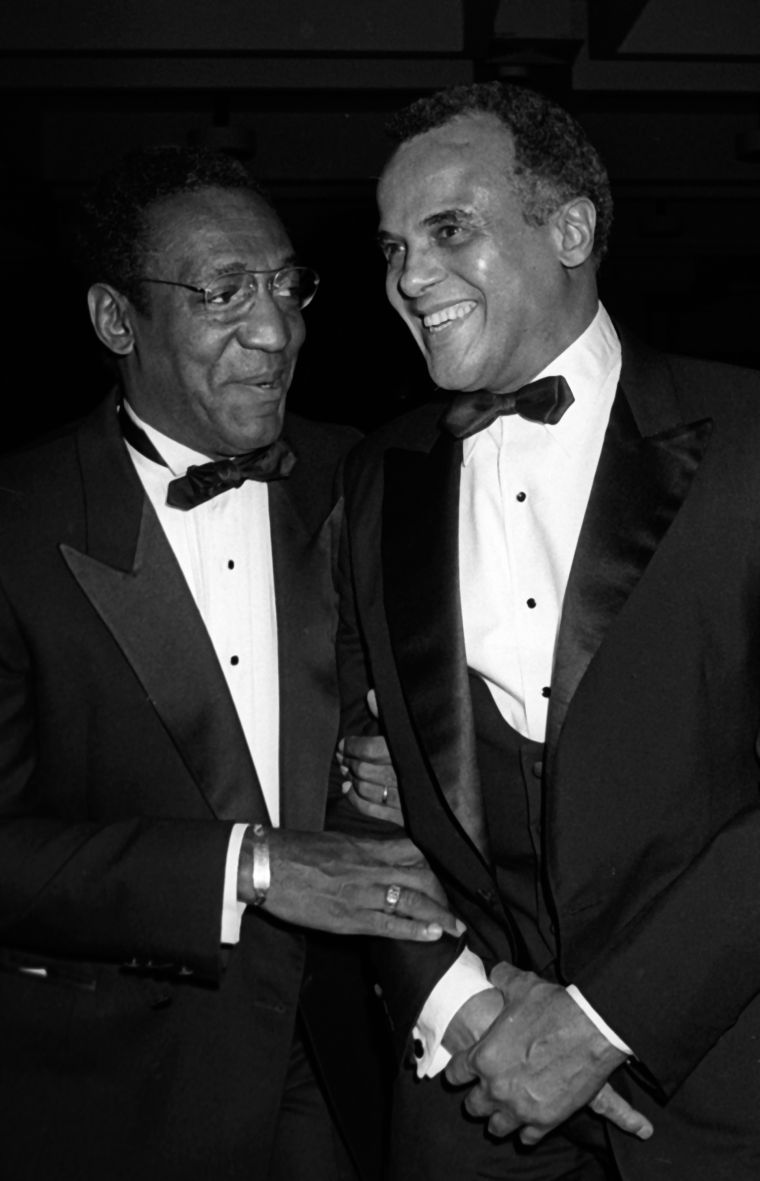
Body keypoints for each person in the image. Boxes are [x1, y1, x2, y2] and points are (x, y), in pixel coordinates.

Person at [0, 145, 461, 1181]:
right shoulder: (16, 524)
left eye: (287, 286)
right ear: (118, 321)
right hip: (112, 1081)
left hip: (350, 1055)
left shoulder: (356, 472)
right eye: (224, 292)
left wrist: (400, 758)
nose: (277, 330)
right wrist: (250, 863)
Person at [337, 80, 760, 1181]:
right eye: (391, 247)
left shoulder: (752, 442)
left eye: (448, 231)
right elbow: (356, 772)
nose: (408, 278)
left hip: (722, 1081)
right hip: (470, 1093)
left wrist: (604, 1021)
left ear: (569, 228)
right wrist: (453, 998)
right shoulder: (382, 473)